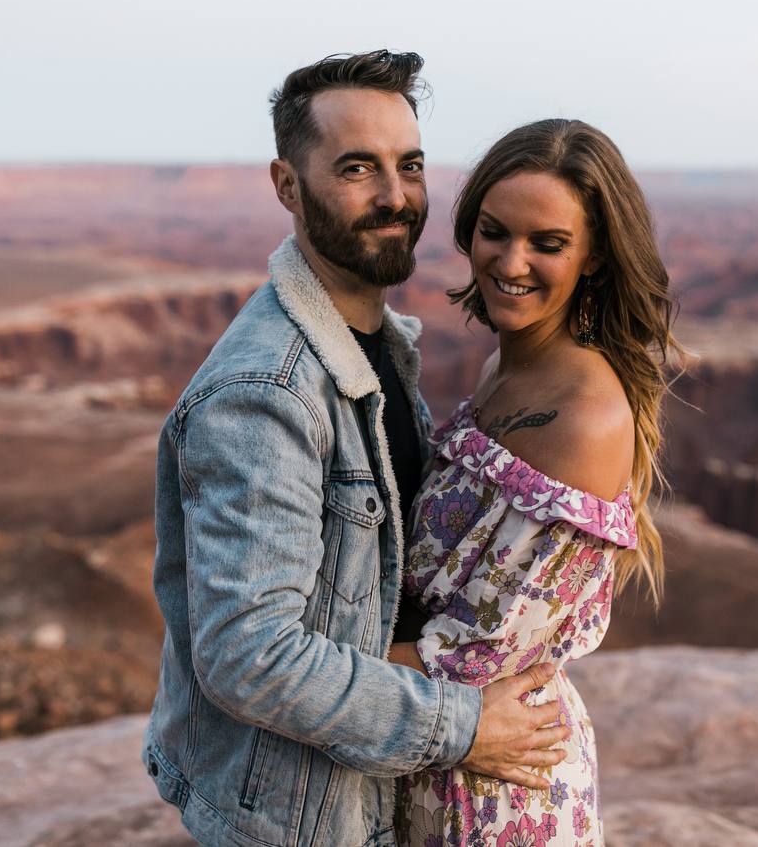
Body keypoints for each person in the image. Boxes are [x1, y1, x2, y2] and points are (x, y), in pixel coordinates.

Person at [142, 51, 570, 847]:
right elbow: (250, 654)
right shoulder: (269, 391)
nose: (395, 196)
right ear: (287, 185)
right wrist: (465, 725)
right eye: (356, 168)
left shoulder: (376, 347)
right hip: (300, 823)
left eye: (409, 165)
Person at [388, 119, 682, 846]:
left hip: (494, 794)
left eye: (547, 243)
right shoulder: (505, 367)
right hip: (435, 752)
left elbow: (473, 656)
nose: (510, 261)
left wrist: (300, 657)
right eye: (494, 231)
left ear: (594, 256)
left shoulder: (585, 417)